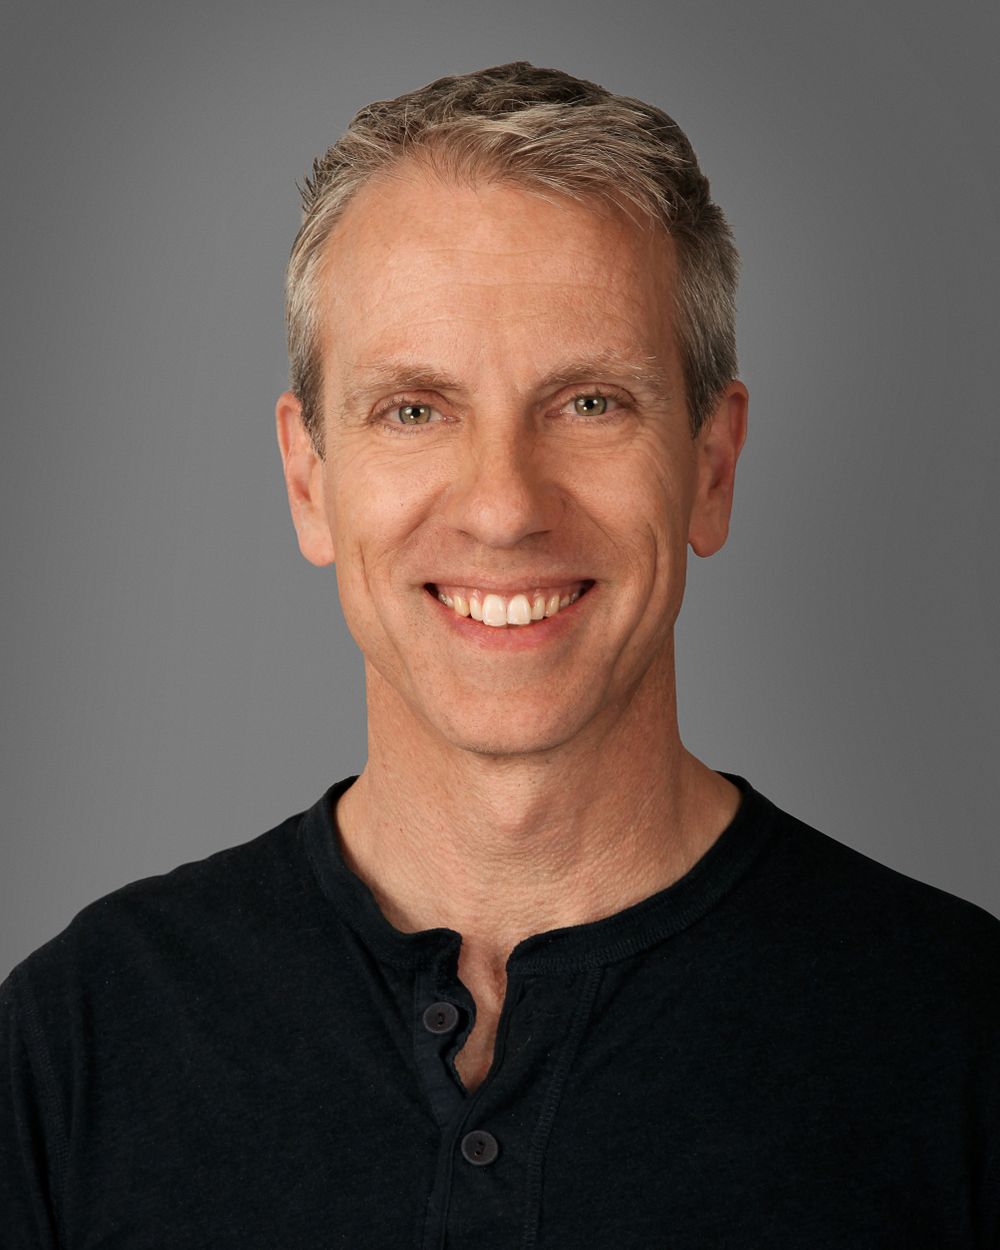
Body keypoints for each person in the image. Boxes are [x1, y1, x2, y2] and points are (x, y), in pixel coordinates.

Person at [1, 61, 997, 1248]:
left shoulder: (961, 1036)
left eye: (590, 403)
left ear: (711, 465)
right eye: (414, 408)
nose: (504, 506)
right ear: (309, 480)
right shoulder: (79, 1039)